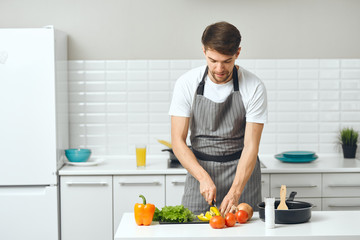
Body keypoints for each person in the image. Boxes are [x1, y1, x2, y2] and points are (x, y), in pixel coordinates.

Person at [168, 21, 268, 216]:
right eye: (213, 60)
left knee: (245, 232)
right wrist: (202, 178)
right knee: (193, 230)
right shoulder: (186, 83)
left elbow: (251, 146)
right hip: (200, 170)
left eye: (227, 61)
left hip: (242, 173)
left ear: (237, 53)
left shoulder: (254, 86)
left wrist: (236, 190)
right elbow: (178, 141)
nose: (219, 68)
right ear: (204, 51)